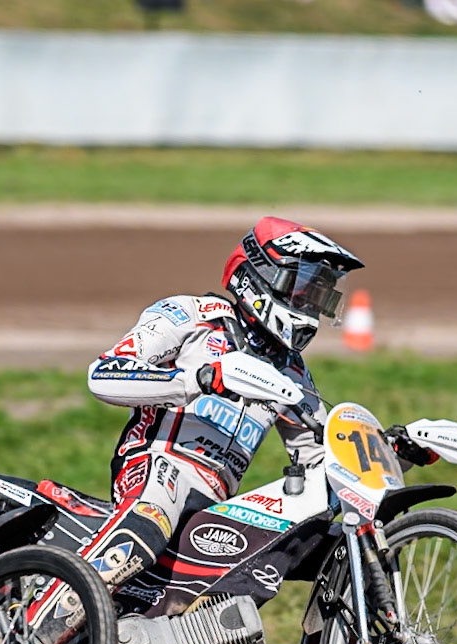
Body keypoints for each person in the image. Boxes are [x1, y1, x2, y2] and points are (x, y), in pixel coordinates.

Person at [80, 217, 365, 592]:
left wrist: (390, 449)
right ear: (261, 276)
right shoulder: (193, 316)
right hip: (157, 467)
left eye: (321, 295)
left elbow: (320, 453)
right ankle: (34, 636)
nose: (312, 305)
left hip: (215, 506)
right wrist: (196, 380)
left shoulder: (291, 370)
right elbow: (102, 374)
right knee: (148, 526)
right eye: (305, 290)